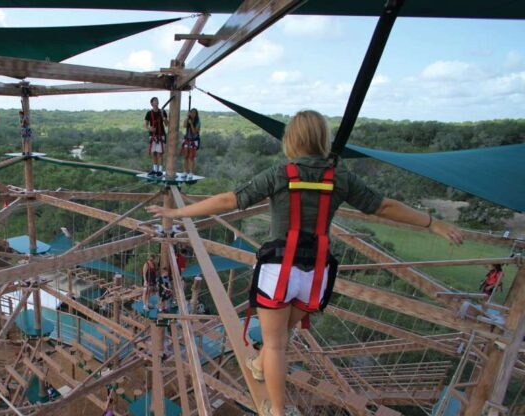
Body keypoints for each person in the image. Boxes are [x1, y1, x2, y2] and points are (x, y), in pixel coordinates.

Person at [147, 110, 463, 416]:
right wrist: (431, 223)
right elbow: (383, 206)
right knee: (284, 334)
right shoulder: (340, 178)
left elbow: (230, 200)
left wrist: (177, 213)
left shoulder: (280, 174)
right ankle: (259, 366)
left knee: (274, 344)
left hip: (278, 270)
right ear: (321, 139)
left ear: (292, 140)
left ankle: (277, 410)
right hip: (317, 274)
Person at [144, 97, 168, 176]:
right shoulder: (149, 113)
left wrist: (164, 118)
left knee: (160, 153)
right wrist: (149, 128)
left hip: (161, 135)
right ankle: (155, 169)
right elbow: (145, 124)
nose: (156, 102)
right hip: (153, 135)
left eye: (157, 101)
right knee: (154, 153)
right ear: (151, 103)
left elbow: (167, 124)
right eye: (155, 101)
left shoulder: (162, 111)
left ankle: (160, 170)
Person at [180, 108, 201, 179]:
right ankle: (185, 171)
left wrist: (191, 123)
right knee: (185, 157)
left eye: (194, 113)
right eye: (191, 113)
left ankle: (191, 172)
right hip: (187, 139)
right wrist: (187, 118)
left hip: (193, 141)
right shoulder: (188, 119)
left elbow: (195, 131)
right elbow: (184, 126)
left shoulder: (198, 122)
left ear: (196, 114)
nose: (193, 114)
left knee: (191, 157)